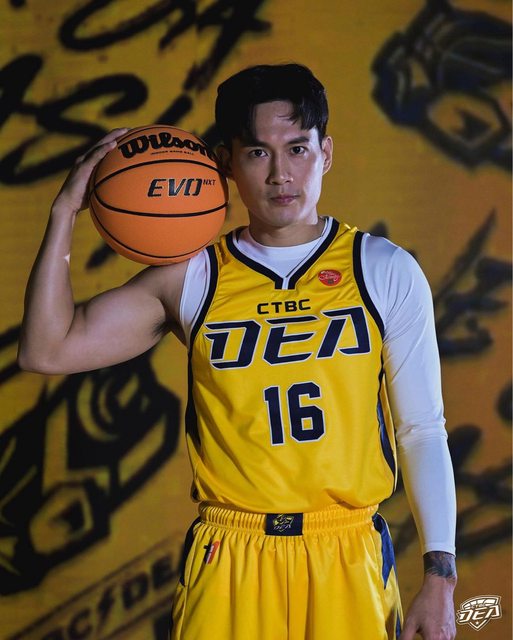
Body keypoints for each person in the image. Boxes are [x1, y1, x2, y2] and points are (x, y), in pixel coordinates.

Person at [18, 63, 457, 639]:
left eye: (297, 149)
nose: (281, 174)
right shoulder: (193, 276)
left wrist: (440, 576)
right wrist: (62, 214)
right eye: (257, 153)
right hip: (230, 552)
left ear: (325, 153)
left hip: (348, 550)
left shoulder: (382, 269)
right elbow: (46, 349)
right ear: (225, 162)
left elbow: (421, 429)